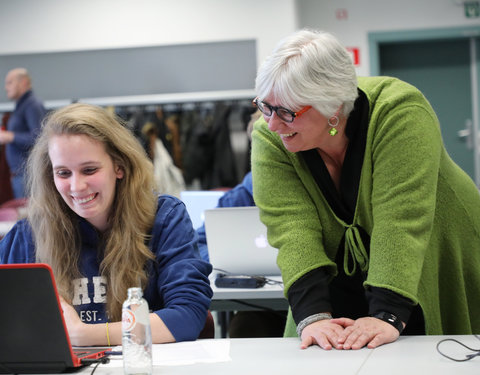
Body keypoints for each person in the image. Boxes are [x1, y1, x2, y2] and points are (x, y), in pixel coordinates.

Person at [251, 29, 480, 351]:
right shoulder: (271, 135)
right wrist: (313, 315)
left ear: (331, 106)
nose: (273, 124)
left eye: (287, 111)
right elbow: (291, 228)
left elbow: (401, 218)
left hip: (429, 246)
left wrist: (386, 313)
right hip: (345, 267)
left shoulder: (399, 110)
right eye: (265, 107)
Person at [0, 103, 213, 346]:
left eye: (89, 170)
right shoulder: (27, 235)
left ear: (119, 167)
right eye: (63, 173)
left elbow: (188, 315)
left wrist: (85, 335)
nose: (76, 186)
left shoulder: (164, 219)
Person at [1, 68, 46, 198]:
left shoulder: (32, 105)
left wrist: (10, 136)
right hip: (20, 175)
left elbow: (39, 138)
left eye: (10, 82)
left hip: (27, 175)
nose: (6, 87)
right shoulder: (21, 105)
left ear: (24, 82)